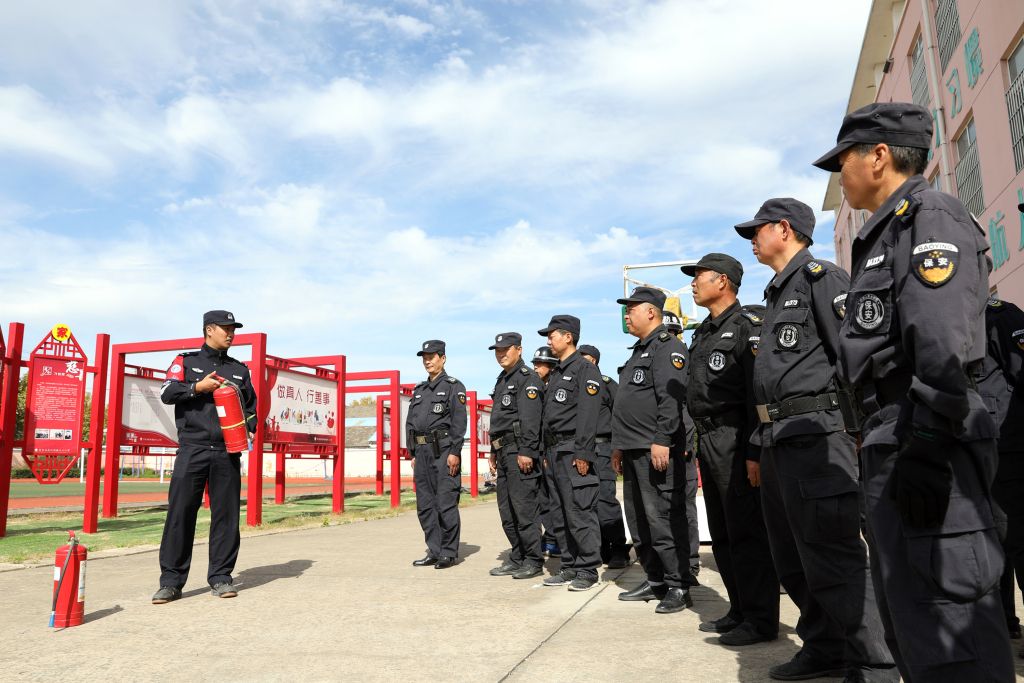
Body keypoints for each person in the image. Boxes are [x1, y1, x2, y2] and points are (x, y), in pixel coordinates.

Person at [815, 101, 1013, 680]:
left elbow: (943, 338)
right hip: (894, 434)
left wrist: (928, 438)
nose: (840, 174)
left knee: (952, 624)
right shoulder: (888, 228)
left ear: (878, 156)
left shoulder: (929, 216)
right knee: (915, 622)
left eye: (844, 161)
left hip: (928, 436)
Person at [735, 199, 895, 680]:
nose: (752, 240)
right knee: (793, 559)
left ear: (784, 229)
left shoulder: (820, 279)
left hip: (819, 438)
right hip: (779, 439)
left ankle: (875, 664)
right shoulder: (776, 293)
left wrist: (863, 432)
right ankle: (825, 647)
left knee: (835, 554)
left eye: (757, 231)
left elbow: (859, 359)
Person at [683, 254, 780, 646]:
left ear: (722, 282)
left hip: (735, 437)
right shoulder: (704, 332)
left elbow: (756, 393)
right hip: (708, 440)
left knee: (747, 531)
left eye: (699, 277)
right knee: (723, 533)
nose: (692, 284)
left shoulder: (746, 327)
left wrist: (755, 449)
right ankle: (739, 609)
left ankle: (760, 620)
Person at [152, 310, 257, 604]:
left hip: (227, 452)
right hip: (192, 449)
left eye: (233, 329)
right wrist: (197, 387)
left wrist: (250, 427)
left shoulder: (240, 370)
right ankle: (171, 582)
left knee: (226, 517)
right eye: (225, 328)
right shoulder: (185, 362)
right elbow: (167, 392)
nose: (231, 333)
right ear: (209, 330)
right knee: (180, 515)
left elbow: (251, 407)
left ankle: (221, 577)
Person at [611, 287, 696, 614]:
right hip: (632, 451)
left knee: (662, 518)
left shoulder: (667, 347)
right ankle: (656, 579)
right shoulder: (638, 351)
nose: (627, 315)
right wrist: (618, 446)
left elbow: (670, 399)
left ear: (651, 312)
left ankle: (678, 584)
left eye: (631, 309)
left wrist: (662, 438)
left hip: (654, 450)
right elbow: (629, 403)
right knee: (639, 521)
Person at [537, 314, 604, 591]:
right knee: (559, 512)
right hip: (553, 451)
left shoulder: (583, 369)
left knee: (579, 510)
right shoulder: (556, 372)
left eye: (552, 334)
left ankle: (587, 569)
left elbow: (588, 415)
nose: (549, 340)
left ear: (568, 336)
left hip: (573, 449)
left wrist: (584, 452)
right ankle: (569, 565)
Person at [978, 297, 1024, 643]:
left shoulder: (1001, 316)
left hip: (1007, 448)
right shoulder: (952, 320)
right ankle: (1004, 621)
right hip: (972, 449)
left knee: (1016, 539)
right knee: (989, 539)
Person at [486, 332, 546, 580]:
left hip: (519, 450)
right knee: (506, 510)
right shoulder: (502, 380)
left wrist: (527, 451)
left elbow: (531, 420)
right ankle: (518, 556)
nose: (501, 354)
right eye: (498, 351)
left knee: (524, 509)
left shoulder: (527, 379)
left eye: (506, 349)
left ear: (519, 350)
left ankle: (533, 560)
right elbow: (499, 420)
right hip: (503, 451)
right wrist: (492, 450)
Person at [407, 340, 467, 570]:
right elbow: (411, 423)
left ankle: (448, 552)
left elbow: (459, 422)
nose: (428, 361)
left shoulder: (454, 386)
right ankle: (434, 550)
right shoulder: (419, 390)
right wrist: (412, 452)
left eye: (432, 356)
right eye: (425, 357)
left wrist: (454, 452)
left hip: (443, 451)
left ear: (443, 358)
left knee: (445, 502)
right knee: (425, 505)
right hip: (421, 453)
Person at [578, 343, 630, 568]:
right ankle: (598, 549)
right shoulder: (574, 385)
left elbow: (621, 416)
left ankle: (619, 548)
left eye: (586, 358)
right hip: (581, 451)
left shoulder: (607, 384)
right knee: (584, 502)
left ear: (594, 361)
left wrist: (619, 448)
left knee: (606, 500)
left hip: (604, 449)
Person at [665, 310, 701, 580]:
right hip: (664, 444)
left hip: (683, 445)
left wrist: (687, 442)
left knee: (685, 506)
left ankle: (690, 559)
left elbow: (688, 408)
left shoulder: (686, 361)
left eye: (672, 333)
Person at [532, 345, 562, 558]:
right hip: (539, 449)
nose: (536, 367)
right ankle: (550, 536)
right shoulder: (535, 388)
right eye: (535, 363)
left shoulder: (556, 387)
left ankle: (557, 539)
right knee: (542, 497)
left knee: (556, 497)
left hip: (555, 449)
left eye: (540, 364)